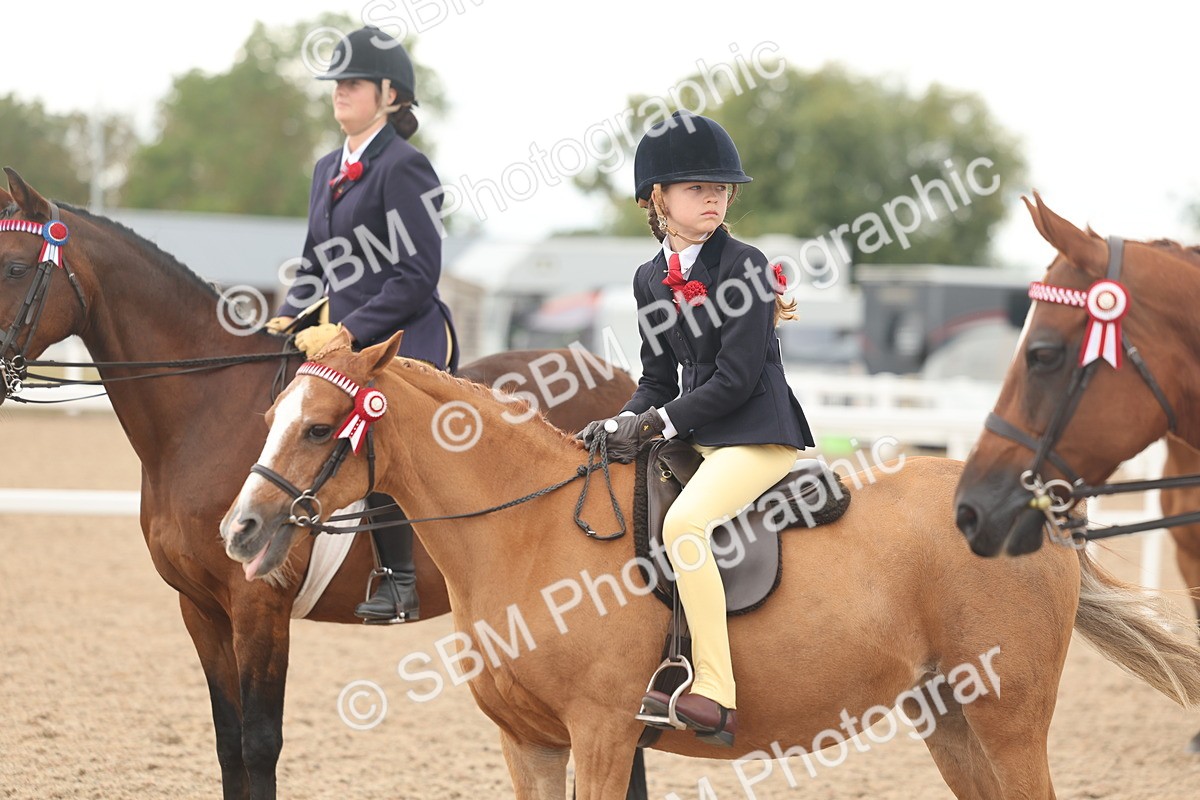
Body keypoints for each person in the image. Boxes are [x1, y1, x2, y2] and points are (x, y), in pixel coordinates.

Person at [577, 110, 814, 746]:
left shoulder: (747, 264)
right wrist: (625, 418)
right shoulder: (649, 277)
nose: (713, 197)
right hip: (694, 435)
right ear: (658, 199)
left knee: (684, 526)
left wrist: (659, 421)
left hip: (757, 435)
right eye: (696, 188)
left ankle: (713, 686)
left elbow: (735, 380)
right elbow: (657, 375)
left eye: (719, 188)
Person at [265, 25, 458, 623]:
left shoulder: (404, 167)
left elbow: (418, 273)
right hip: (335, 337)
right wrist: (292, 313)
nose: (340, 92)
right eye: (337, 84)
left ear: (391, 96)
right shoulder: (328, 166)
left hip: (402, 332)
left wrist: (347, 334)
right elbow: (314, 262)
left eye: (354, 83)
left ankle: (398, 578)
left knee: (377, 428)